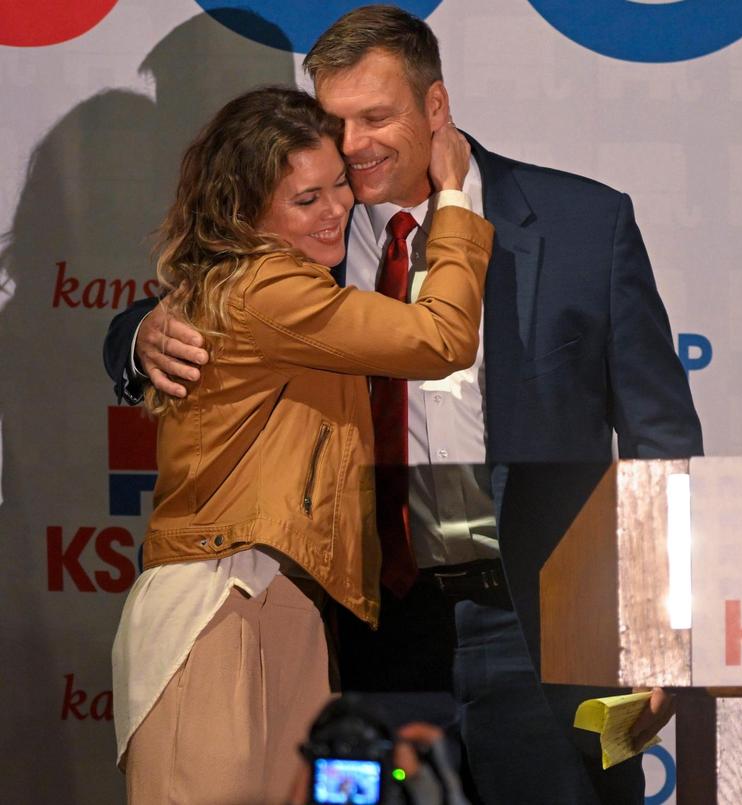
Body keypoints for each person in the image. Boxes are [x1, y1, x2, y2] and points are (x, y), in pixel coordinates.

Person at [103, 6, 702, 803]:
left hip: (548, 635)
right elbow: (200, 299)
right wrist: (139, 331)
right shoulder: (307, 228)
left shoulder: (585, 224)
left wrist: (666, 626)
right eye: (335, 121)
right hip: (367, 635)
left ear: (436, 108)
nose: (352, 147)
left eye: (375, 116)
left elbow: (662, 442)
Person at [108, 85, 492, 804]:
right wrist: (455, 199)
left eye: (339, 184)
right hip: (218, 600)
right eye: (306, 199)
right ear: (246, 213)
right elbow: (442, 337)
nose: (339, 208)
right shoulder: (268, 287)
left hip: (291, 596)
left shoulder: (281, 280)